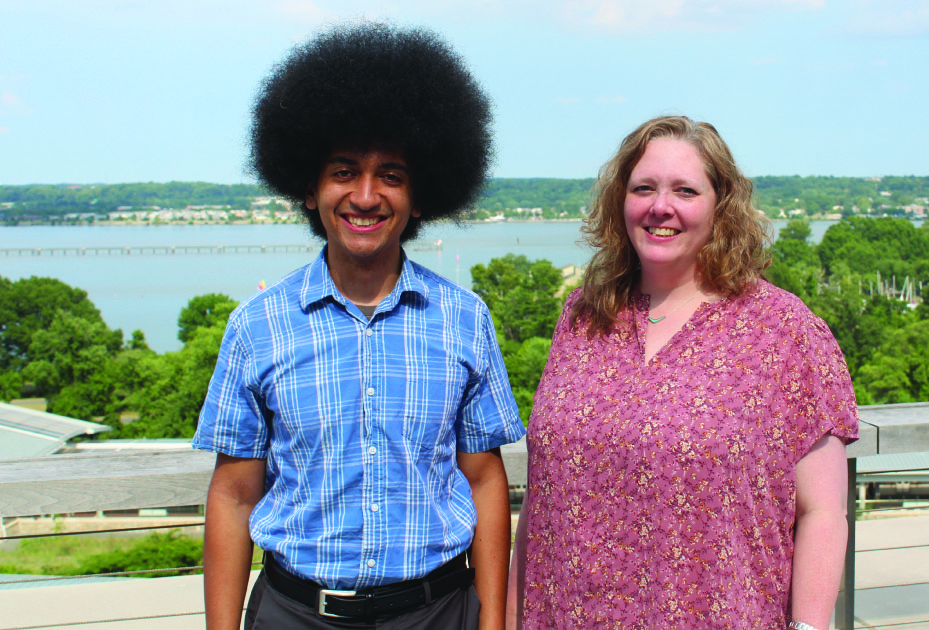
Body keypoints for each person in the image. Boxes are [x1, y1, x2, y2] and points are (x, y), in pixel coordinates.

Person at [192, 23, 525, 630]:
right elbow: (234, 494)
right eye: (344, 171)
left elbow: (484, 480)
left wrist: (494, 623)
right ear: (310, 188)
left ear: (421, 197)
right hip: (294, 612)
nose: (366, 195)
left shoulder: (464, 319)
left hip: (438, 611)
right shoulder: (257, 327)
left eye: (391, 175)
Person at [508, 116, 859, 630]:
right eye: (643, 187)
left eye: (685, 190)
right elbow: (541, 501)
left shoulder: (784, 331)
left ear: (721, 205)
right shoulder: (582, 317)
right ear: (619, 201)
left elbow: (824, 513)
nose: (660, 206)